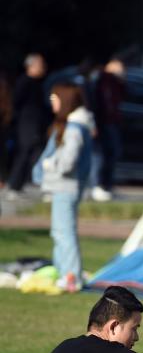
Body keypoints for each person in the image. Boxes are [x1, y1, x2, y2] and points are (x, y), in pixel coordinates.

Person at [38, 82, 93, 292]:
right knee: (59, 231)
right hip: (65, 186)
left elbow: (69, 161)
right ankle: (64, 272)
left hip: (66, 186)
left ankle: (71, 276)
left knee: (64, 232)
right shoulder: (76, 125)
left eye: (55, 99)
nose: (52, 103)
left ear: (65, 100)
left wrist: (50, 164)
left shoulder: (74, 128)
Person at [5, 53, 50, 196]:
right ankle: (14, 185)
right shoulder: (24, 82)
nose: (43, 67)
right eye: (40, 64)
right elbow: (16, 104)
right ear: (31, 66)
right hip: (27, 124)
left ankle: (22, 183)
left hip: (36, 124)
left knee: (36, 153)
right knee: (24, 152)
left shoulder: (39, 83)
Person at [92, 57, 124, 201]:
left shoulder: (115, 82)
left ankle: (106, 185)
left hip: (112, 122)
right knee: (101, 155)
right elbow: (101, 102)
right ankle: (98, 185)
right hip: (103, 122)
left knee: (112, 153)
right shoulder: (102, 81)